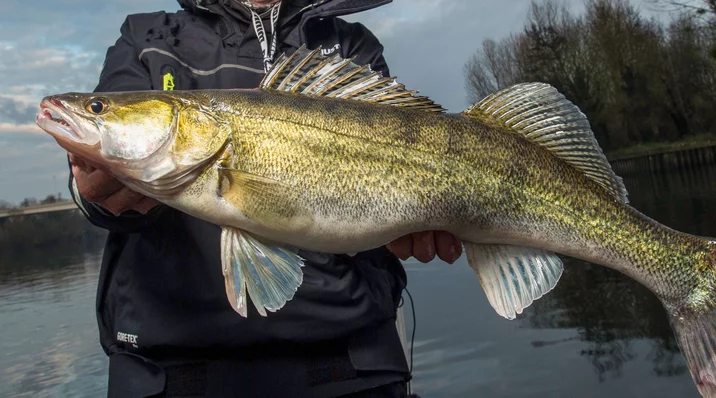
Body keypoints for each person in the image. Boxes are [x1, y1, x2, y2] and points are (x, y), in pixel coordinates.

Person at [66, 1, 462, 397]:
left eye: (97, 110)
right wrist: (100, 193)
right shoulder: (146, 38)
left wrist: (406, 219)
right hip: (173, 373)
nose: (92, 113)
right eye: (96, 110)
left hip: (354, 363)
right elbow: (95, 188)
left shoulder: (348, 43)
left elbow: (407, 150)